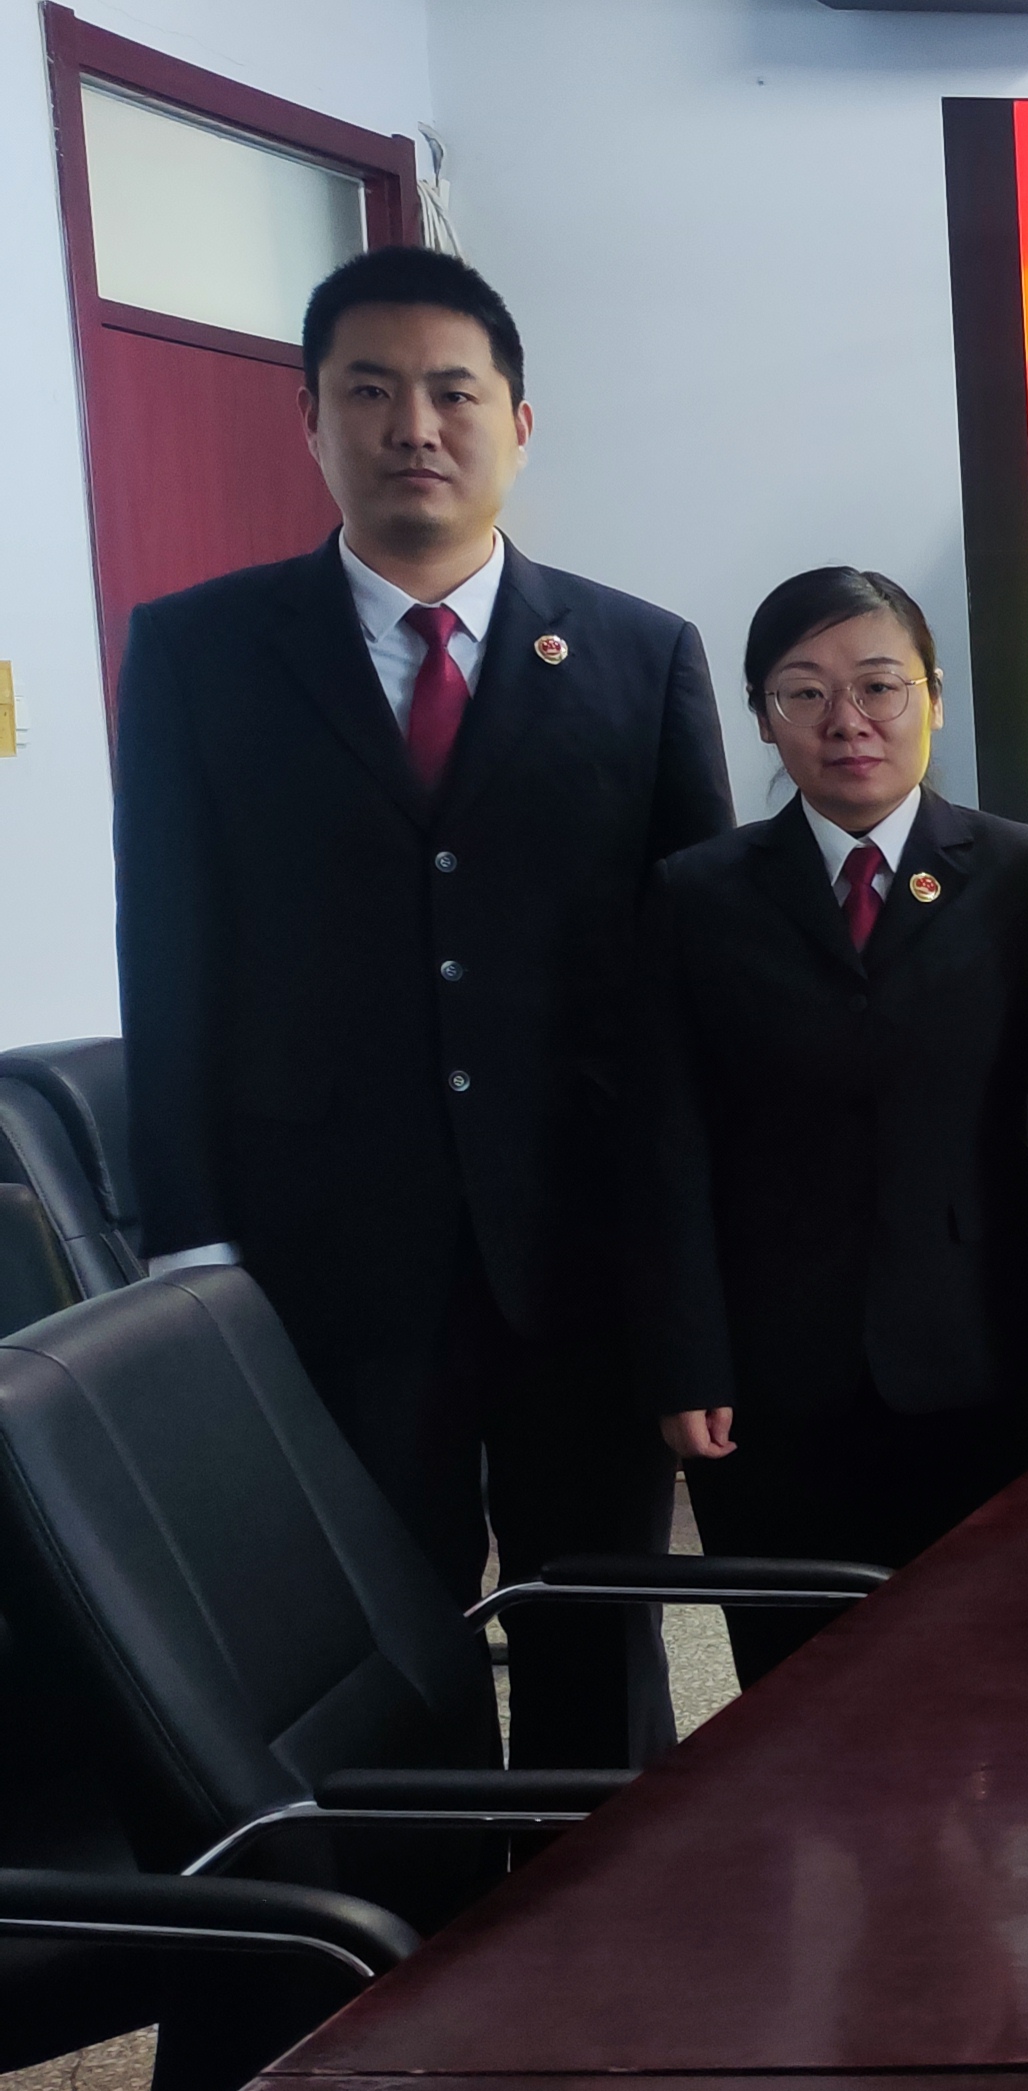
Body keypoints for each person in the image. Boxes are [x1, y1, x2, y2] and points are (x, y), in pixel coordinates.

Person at [114, 246, 728, 1767]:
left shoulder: (642, 655)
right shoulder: (199, 651)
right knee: (381, 1634)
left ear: (519, 422)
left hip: (582, 1247)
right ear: (310, 421)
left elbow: (689, 986)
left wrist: (694, 1248)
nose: (414, 428)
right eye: (370, 392)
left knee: (600, 1622)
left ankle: (599, 1900)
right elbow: (171, 953)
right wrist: (192, 1243)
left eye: (454, 393)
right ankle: (417, 1908)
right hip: (326, 1248)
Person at [632, 569, 1028, 1685]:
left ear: (935, 698)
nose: (848, 723)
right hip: (775, 1373)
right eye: (805, 693)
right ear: (761, 716)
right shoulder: (695, 895)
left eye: (880, 686)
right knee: (794, 1684)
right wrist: (686, 1359)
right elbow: (667, 1147)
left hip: (983, 1353)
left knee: (991, 1684)